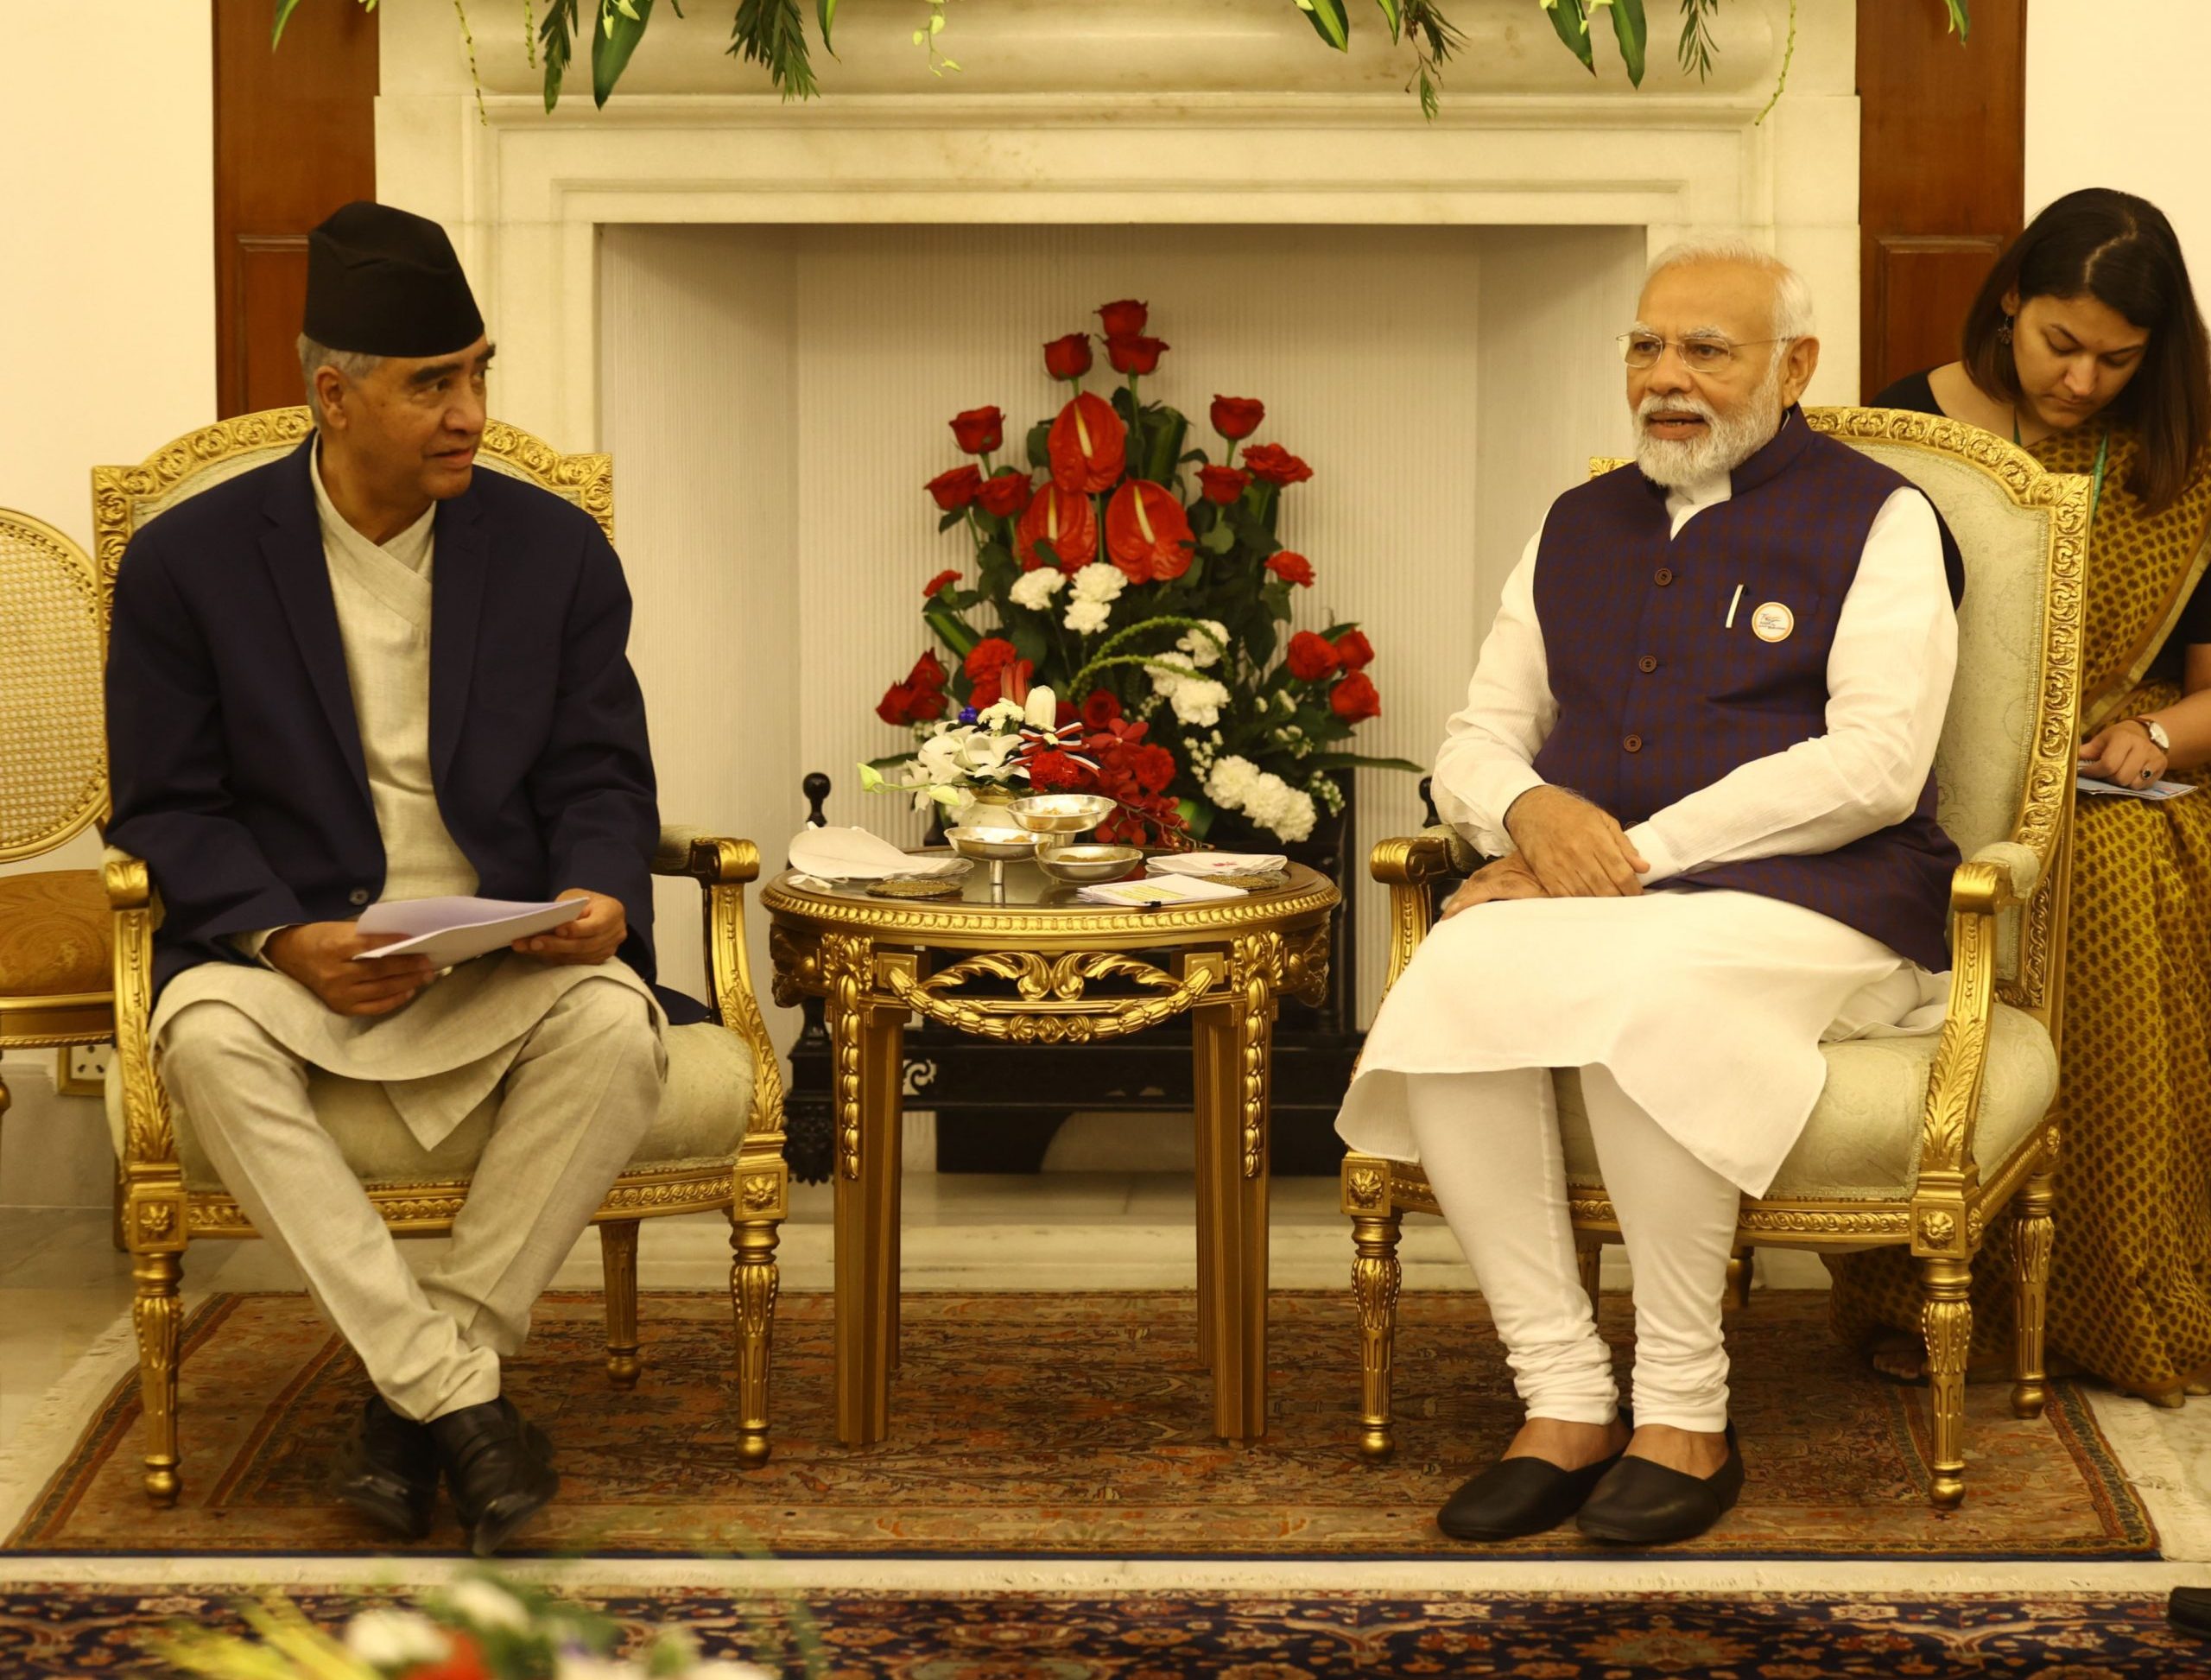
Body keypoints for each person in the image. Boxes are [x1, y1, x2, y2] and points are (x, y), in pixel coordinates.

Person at [1335, 238, 1962, 1546]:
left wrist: (1626, 856)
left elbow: (1876, 765)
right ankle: (1560, 1392)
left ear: (1795, 367)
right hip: (1608, 893)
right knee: (1455, 970)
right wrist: (1527, 810)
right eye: (1644, 346)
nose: (1665, 378)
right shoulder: (1578, 521)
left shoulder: (1884, 516)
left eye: (1706, 351)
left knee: (1648, 987)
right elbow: (1477, 731)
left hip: (1831, 896)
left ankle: (1684, 1404)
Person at [105, 201, 701, 1553]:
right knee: (195, 1038)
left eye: (482, 372)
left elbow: (602, 778)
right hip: (314, 960)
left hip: (497, 952)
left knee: (619, 1022)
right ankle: (459, 1398)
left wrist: (602, 892)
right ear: (334, 394)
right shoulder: (189, 565)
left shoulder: (556, 556)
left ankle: (416, 1399)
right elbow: (168, 806)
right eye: (434, 381)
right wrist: (282, 938)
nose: (472, 412)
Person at [1829, 187, 2211, 1404]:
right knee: (1931, 862)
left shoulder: (2185, 456)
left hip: (2123, 784)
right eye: (2062, 344)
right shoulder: (1903, 430)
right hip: (1921, 774)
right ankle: (1920, 1280)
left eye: (2118, 359)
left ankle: (2111, 1282)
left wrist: (2154, 730)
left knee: (2093, 868)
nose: (2085, 381)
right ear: (2010, 302)